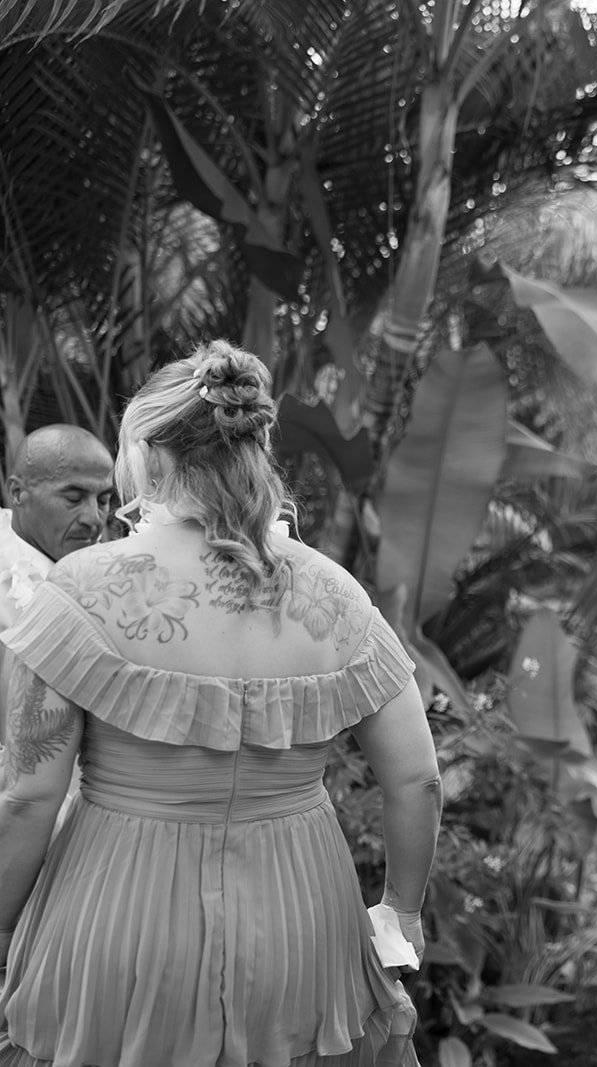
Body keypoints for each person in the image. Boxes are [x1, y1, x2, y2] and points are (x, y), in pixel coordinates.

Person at [0, 340, 440, 1066]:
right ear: (258, 449)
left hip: (118, 918)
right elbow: (417, 778)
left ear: (148, 456)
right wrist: (403, 911)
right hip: (306, 927)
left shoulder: (81, 590)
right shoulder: (335, 593)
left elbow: (25, 796)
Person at [0, 425, 114, 746]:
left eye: (104, 500)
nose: (94, 518)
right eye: (74, 498)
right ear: (18, 492)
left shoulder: (112, 575)